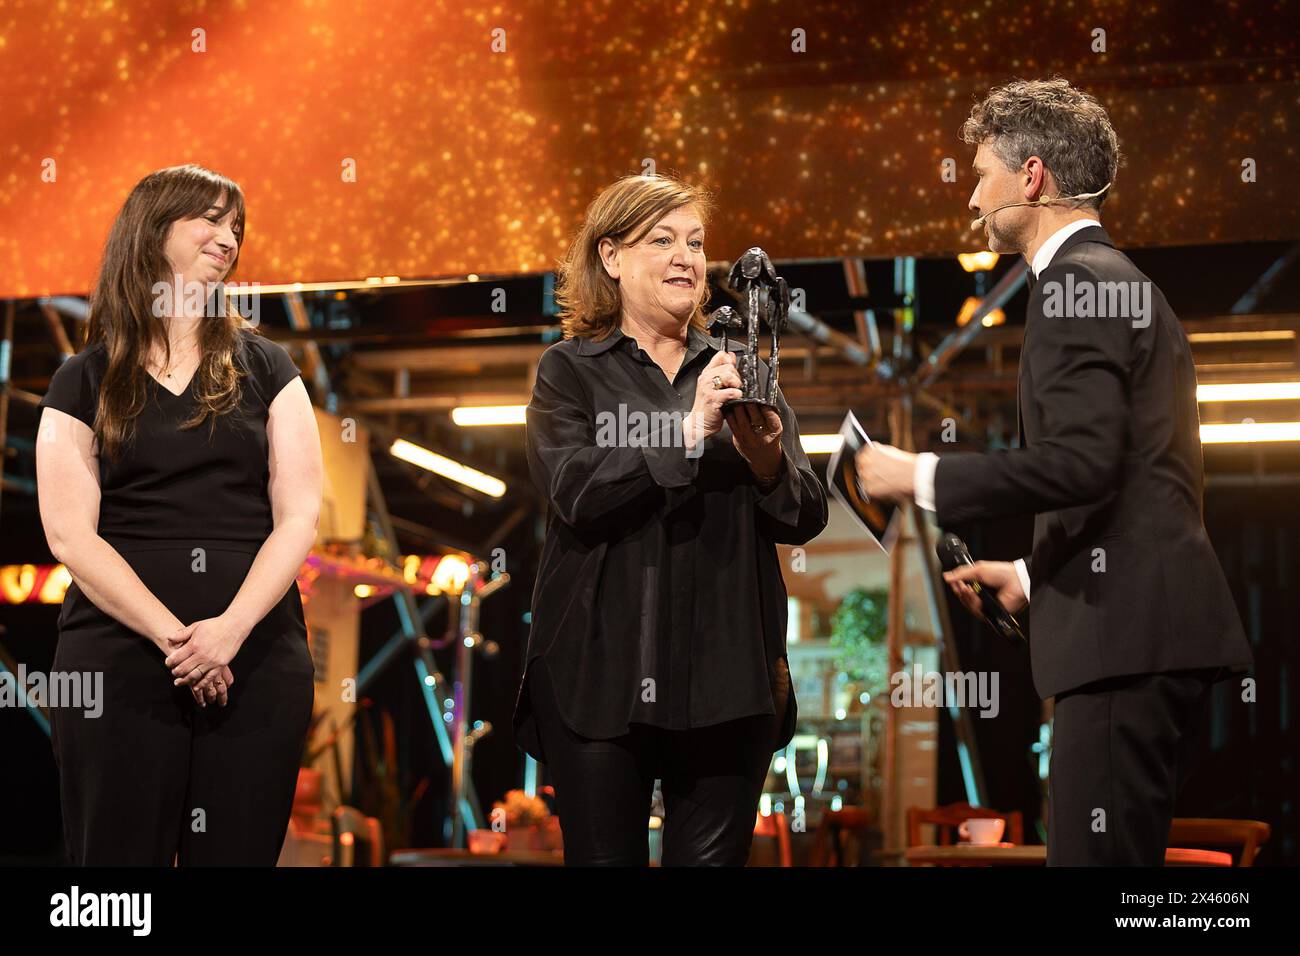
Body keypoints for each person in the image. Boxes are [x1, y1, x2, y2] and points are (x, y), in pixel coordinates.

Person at [858, 79, 1254, 866]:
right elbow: (1131, 476)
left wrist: (917, 476)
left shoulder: (1075, 284)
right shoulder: (1120, 282)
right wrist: (1034, 578)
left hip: (1123, 639)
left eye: (980, 175)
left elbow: (1080, 462)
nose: (972, 199)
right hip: (1139, 632)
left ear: (1031, 176)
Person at [511, 173, 827, 865]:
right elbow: (575, 489)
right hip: (598, 675)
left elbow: (805, 514)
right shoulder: (568, 371)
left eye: (695, 241)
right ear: (611, 257)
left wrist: (767, 458)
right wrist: (687, 431)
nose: (687, 256)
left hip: (728, 678)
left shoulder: (743, 370)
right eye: (662, 240)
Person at [35, 163, 322, 865]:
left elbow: (298, 516)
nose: (228, 238)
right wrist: (181, 642)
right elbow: (70, 533)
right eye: (211, 219)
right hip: (118, 660)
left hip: (253, 658)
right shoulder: (84, 378)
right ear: (153, 227)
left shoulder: (270, 369)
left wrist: (226, 634)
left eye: (237, 227)